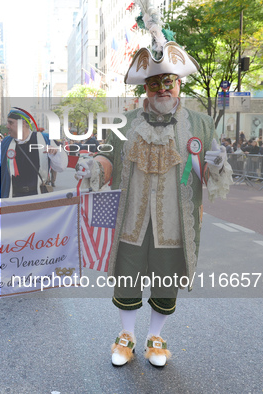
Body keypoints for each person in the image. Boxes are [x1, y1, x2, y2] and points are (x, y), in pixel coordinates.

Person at [76, 29, 233, 367]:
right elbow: (107, 157)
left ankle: (156, 337)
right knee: (127, 272)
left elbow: (210, 171)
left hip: (175, 219)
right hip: (131, 217)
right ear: (144, 88)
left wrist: (218, 166)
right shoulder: (125, 122)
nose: (162, 90)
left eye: (168, 83)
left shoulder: (201, 125)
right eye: (154, 84)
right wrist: (92, 166)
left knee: (167, 275)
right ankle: (127, 336)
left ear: (179, 84)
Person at [0, 108, 67, 198]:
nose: (7, 126)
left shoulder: (45, 139)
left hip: (38, 197)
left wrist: (55, 153)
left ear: (22, 123)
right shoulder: (5, 143)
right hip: (12, 198)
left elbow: (61, 167)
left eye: (10, 123)